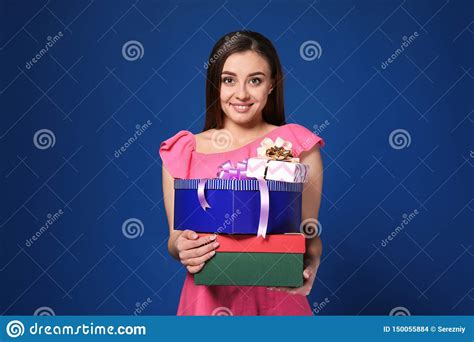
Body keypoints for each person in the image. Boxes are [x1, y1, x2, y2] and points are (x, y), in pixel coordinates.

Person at [159, 30, 325, 315]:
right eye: (228, 80)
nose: (242, 94)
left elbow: (308, 229)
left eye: (255, 80)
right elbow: (175, 239)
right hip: (206, 304)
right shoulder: (184, 150)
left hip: (278, 302)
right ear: (215, 84)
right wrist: (182, 247)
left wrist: (312, 257)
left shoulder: (297, 145)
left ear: (272, 84)